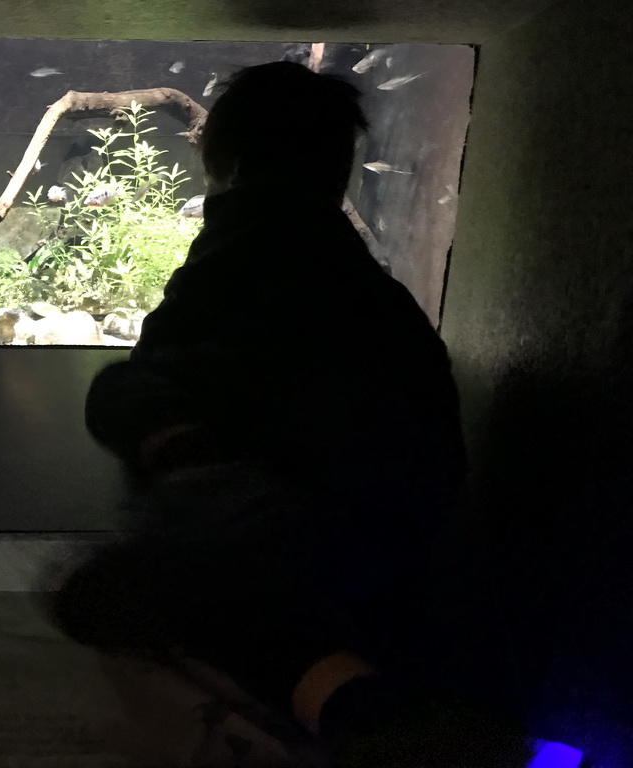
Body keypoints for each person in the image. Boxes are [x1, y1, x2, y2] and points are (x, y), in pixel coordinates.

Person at [49, 61, 528, 765]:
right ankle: (366, 706)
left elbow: (169, 379)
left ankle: (367, 715)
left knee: (140, 572)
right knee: (242, 611)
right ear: (337, 169)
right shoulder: (355, 276)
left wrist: (188, 464)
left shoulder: (246, 253)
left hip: (289, 526)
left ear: (228, 160)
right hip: (402, 537)